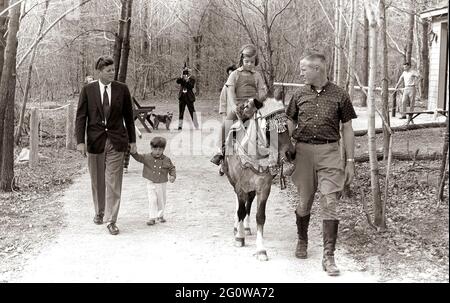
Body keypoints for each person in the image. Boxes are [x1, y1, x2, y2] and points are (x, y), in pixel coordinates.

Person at [285, 53, 357, 276]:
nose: (301, 72)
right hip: (304, 153)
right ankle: (302, 239)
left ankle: (329, 256)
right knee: (304, 202)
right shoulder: (298, 94)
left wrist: (350, 161)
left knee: (330, 202)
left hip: (330, 153)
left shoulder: (340, 95)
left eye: (304, 68)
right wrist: (289, 147)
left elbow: (347, 129)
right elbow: (290, 120)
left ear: (317, 69)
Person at [75, 55, 136, 235]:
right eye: (108, 71)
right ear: (99, 71)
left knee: (113, 181)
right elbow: (80, 117)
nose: (112, 73)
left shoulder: (122, 89)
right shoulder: (88, 90)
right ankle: (99, 212)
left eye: (113, 70)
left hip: (117, 141)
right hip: (95, 141)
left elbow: (129, 118)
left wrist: (132, 141)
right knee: (97, 180)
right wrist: (80, 141)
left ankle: (111, 219)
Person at [210, 44, 267, 165]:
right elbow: (230, 92)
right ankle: (219, 150)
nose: (249, 64)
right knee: (226, 125)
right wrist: (234, 106)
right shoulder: (234, 74)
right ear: (242, 60)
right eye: (246, 61)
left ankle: (272, 151)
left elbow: (262, 92)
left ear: (255, 61)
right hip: (239, 106)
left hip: (253, 106)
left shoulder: (257, 75)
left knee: (269, 123)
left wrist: (259, 102)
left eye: (252, 62)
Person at [131, 136, 176, 225]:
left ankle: (160, 215)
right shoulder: (147, 157)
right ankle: (152, 217)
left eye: (160, 149)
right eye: (155, 149)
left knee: (161, 200)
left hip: (162, 183)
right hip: (150, 183)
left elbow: (172, 168)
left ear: (163, 149)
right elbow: (138, 157)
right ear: (151, 148)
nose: (158, 151)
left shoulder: (167, 160)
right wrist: (133, 152)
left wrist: (172, 175)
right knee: (152, 200)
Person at [217, 64, 237, 176]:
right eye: (229, 75)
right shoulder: (226, 87)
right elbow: (223, 103)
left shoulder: (241, 86)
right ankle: (221, 161)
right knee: (225, 139)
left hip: (240, 116)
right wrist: (224, 117)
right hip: (229, 116)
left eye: (233, 74)